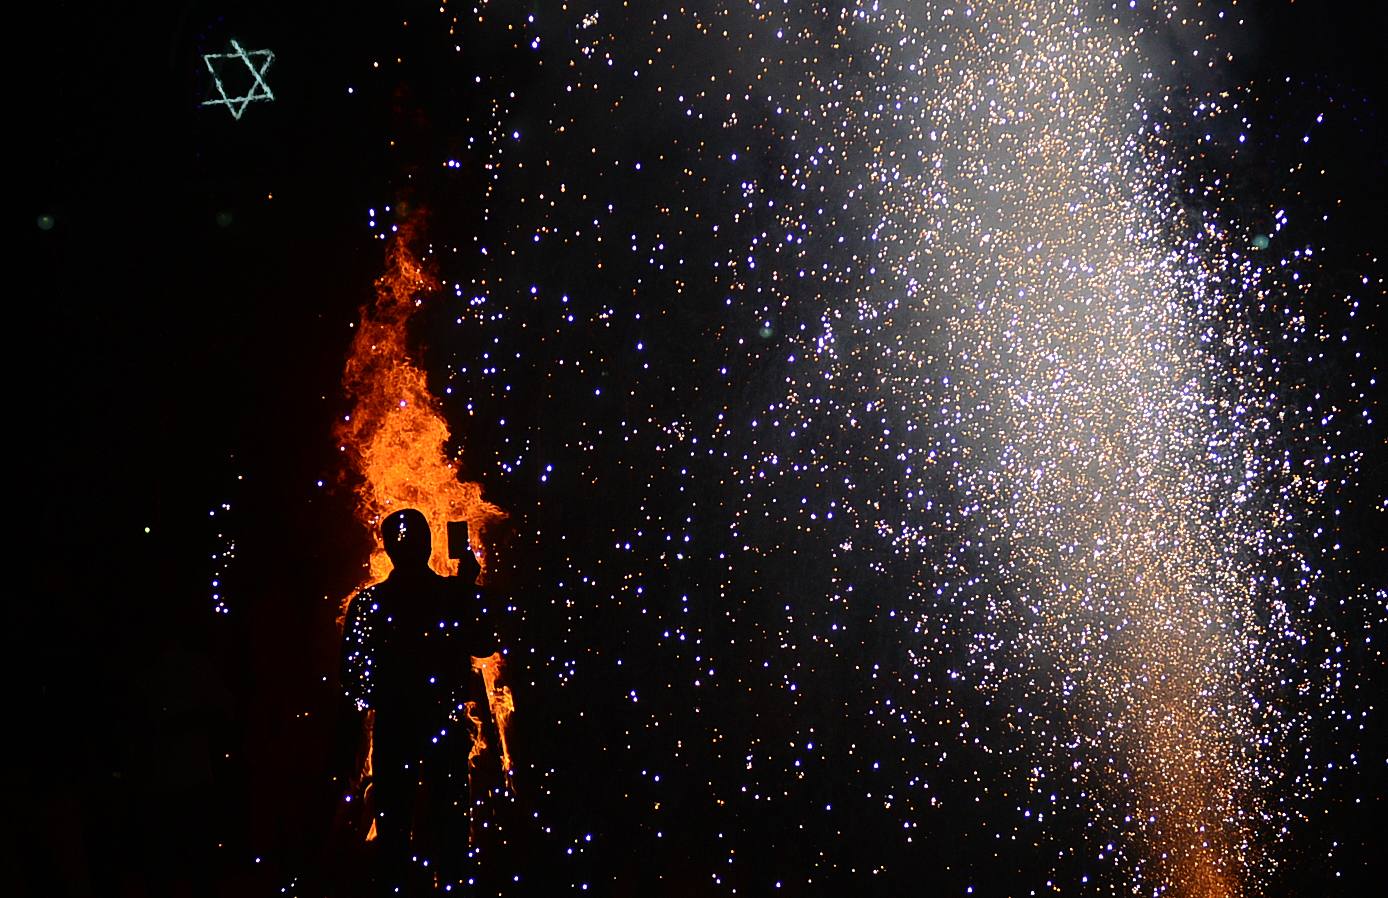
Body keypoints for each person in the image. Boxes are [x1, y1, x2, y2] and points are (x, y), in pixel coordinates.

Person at [341, 509, 483, 893]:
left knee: (395, 828)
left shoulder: (369, 603)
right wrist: (468, 589)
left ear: (388, 550)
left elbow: (353, 680)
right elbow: (484, 643)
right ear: (429, 545)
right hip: (440, 723)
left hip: (396, 725)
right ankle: (450, 884)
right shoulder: (450, 595)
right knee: (449, 824)